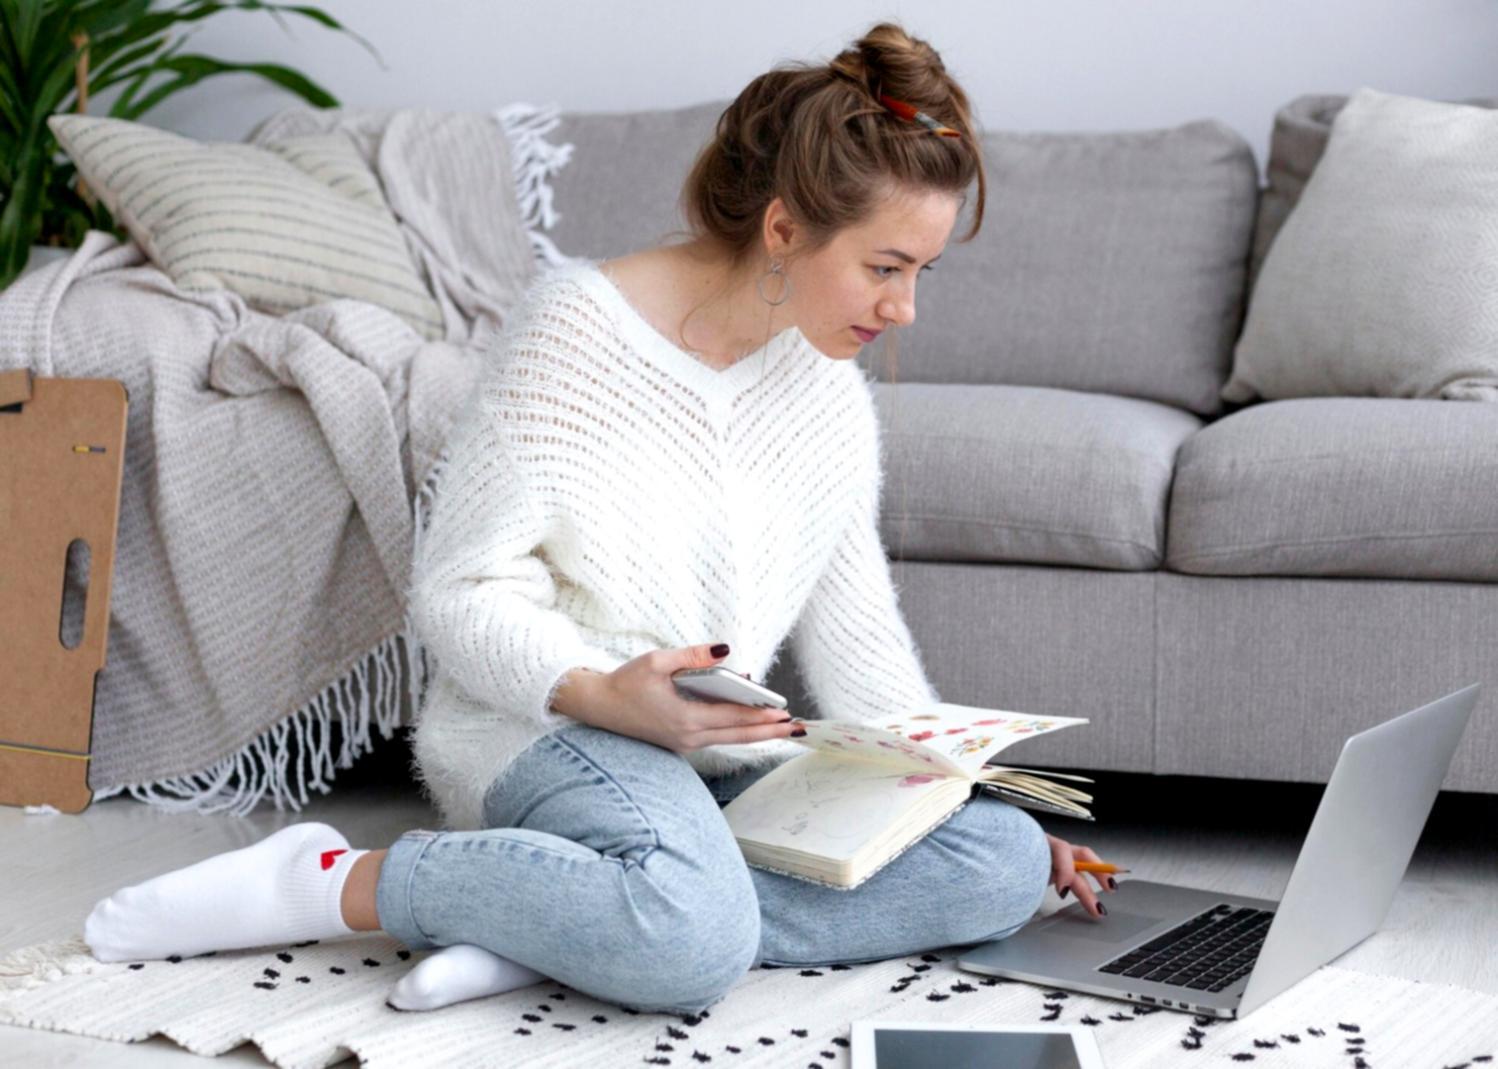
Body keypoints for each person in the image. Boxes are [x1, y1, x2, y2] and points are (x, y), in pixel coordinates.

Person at [82, 20, 1115, 1016]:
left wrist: (952, 797)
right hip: (549, 727)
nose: (904, 308)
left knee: (999, 862)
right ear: (784, 229)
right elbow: (457, 592)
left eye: (921, 271)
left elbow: (863, 647)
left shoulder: (828, 394)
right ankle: (338, 879)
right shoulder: (577, 333)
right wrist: (605, 692)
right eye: (885, 267)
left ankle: (554, 917)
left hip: (708, 762)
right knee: (692, 935)